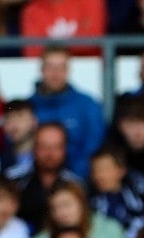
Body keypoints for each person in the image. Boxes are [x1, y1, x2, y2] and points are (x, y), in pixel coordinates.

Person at [27, 47, 106, 178]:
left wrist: (72, 179)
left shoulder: (88, 105)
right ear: (41, 70)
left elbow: (94, 147)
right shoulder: (28, 107)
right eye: (50, 67)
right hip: (34, 181)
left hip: (79, 182)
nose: (55, 73)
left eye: (61, 67)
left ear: (68, 70)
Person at [19, 0, 106, 57]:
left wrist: (50, 46)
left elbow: (93, 40)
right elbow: (32, 52)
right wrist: (76, 42)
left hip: (90, 68)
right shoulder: (32, 10)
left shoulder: (92, 2)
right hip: (47, 73)